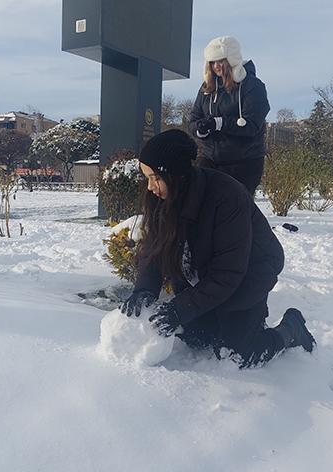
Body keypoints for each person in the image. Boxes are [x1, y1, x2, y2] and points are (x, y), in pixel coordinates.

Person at [120, 130, 314, 367]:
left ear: (175, 174)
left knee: (237, 355)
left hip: (252, 271)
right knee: (196, 338)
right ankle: (240, 322)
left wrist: (179, 310)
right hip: (210, 272)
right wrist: (144, 290)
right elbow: (154, 247)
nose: (150, 187)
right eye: (146, 178)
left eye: (155, 178)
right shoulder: (164, 198)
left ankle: (291, 329)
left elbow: (228, 273)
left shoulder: (226, 197)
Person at [188, 36, 270, 194]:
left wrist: (219, 123)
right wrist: (200, 129)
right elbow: (194, 118)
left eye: (220, 61)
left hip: (244, 162)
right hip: (211, 159)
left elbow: (252, 125)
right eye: (212, 62)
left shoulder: (253, 86)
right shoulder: (207, 88)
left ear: (231, 60)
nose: (216, 66)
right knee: (200, 201)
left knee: (234, 209)